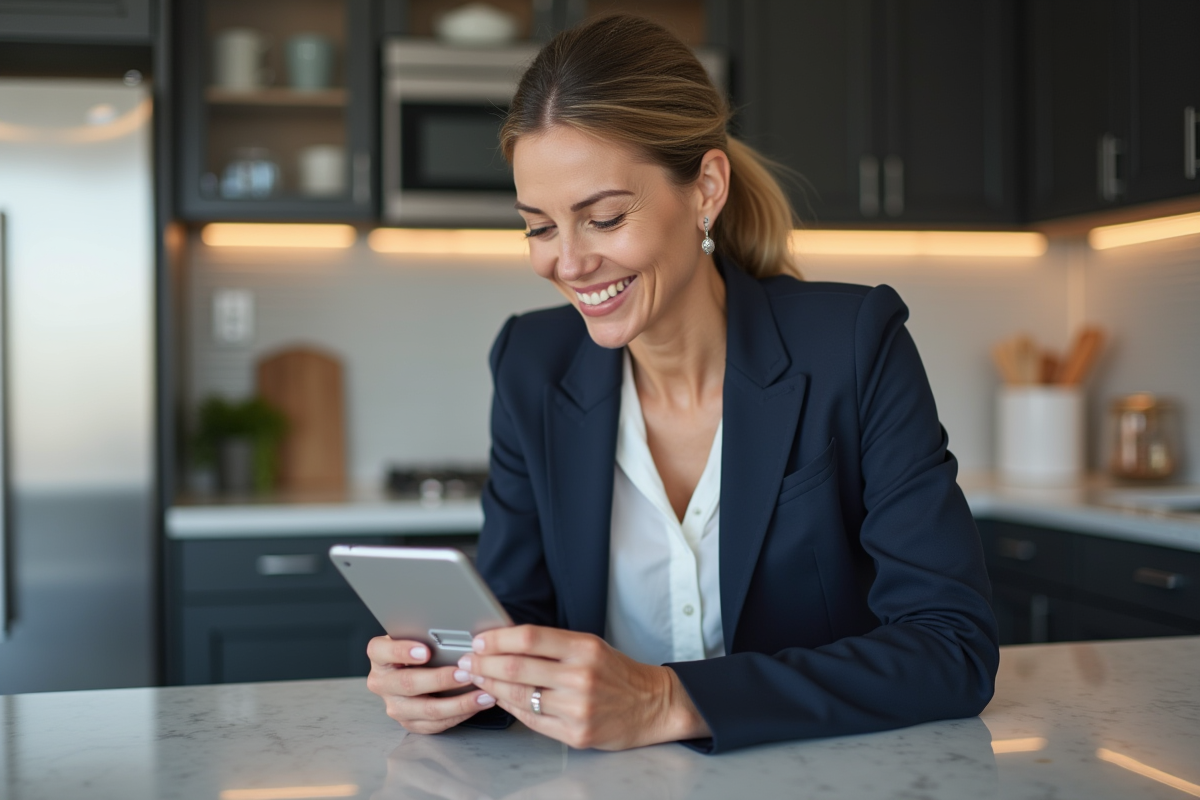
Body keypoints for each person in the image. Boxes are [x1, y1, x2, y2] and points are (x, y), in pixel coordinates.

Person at [366, 14, 999, 754]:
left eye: (602, 218)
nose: (567, 263)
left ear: (705, 188)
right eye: (539, 227)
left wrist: (671, 700)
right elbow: (517, 625)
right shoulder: (530, 366)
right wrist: (450, 682)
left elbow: (951, 648)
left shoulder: (853, 346)